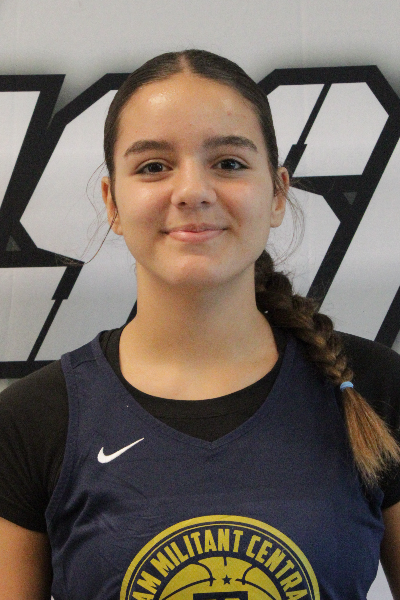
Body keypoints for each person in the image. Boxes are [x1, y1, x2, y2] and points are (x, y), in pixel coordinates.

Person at [0, 49, 400, 600]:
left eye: (229, 163)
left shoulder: (372, 388)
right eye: (153, 166)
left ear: (278, 193)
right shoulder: (34, 419)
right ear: (112, 203)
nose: (192, 191)